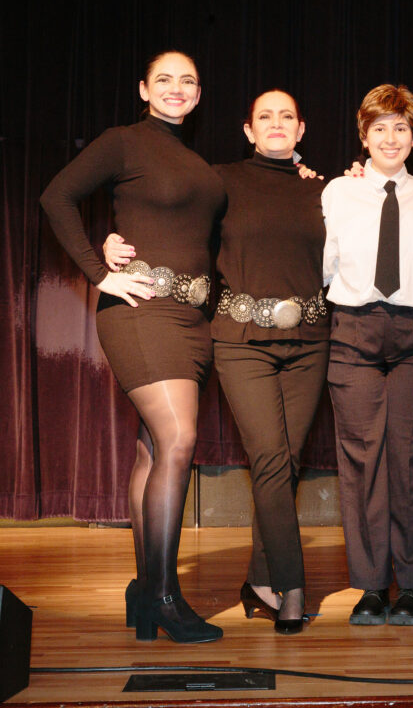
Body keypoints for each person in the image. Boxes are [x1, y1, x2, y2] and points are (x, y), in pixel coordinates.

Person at [104, 90, 328, 635]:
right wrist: (111, 243)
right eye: (264, 117)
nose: (276, 124)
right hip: (238, 338)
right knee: (271, 461)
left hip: (310, 340)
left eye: (287, 117)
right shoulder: (218, 181)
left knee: (286, 463)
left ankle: (257, 580)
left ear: (301, 131)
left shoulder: (328, 190)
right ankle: (292, 592)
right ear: (248, 131)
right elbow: (166, 217)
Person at [40, 50, 226, 643]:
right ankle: (166, 597)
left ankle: (144, 587)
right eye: (164, 79)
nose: (176, 89)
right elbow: (56, 197)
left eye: (188, 81)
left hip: (194, 317)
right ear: (144, 88)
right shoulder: (123, 140)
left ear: (198, 95)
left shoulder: (198, 161)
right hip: (142, 311)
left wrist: (299, 167)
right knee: (178, 439)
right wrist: (100, 271)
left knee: (153, 450)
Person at [322, 84, 413, 626]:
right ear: (363, 135)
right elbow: (326, 261)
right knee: (360, 462)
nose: (390, 138)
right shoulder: (337, 192)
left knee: (412, 460)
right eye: (380, 128)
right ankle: (372, 586)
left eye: (401, 127)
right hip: (354, 331)